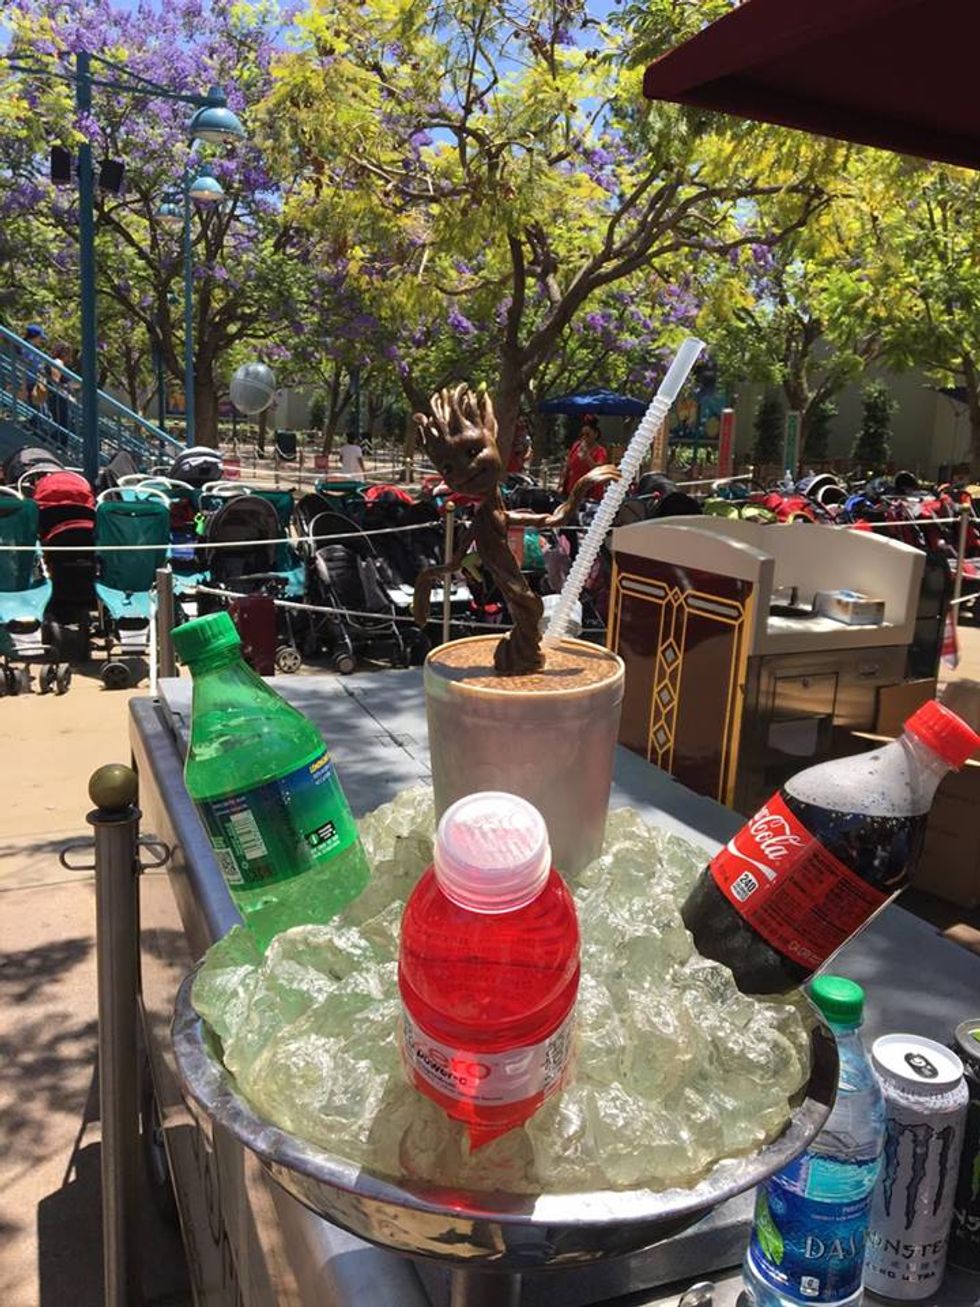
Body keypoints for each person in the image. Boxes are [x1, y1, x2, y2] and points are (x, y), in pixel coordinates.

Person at [561, 413, 608, 498]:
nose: (584, 438)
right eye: (583, 435)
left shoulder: (600, 451)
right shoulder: (577, 446)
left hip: (590, 492)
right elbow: (568, 465)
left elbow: (598, 470)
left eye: (587, 435)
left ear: (596, 434)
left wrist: (587, 456)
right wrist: (562, 483)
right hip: (573, 490)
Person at [48, 343, 75, 445]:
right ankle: (57, 445)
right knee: (63, 425)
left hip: (60, 398)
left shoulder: (60, 363)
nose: (70, 356)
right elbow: (56, 382)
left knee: (64, 425)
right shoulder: (58, 363)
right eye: (69, 353)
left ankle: (59, 445)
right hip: (58, 398)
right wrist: (67, 394)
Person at [20, 324, 46, 407]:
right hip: (29, 385)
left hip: (34, 383)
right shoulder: (27, 349)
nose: (41, 340)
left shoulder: (33, 348)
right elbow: (23, 367)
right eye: (40, 338)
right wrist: (23, 387)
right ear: (34, 337)